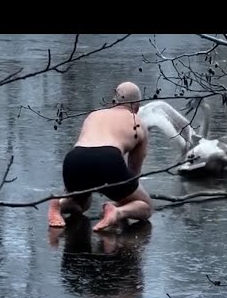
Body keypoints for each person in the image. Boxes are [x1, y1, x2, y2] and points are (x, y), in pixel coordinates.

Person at [47, 81, 153, 231]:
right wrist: (125, 198)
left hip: (74, 159)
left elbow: (86, 144)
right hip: (107, 159)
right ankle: (117, 212)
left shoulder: (94, 115)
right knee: (146, 206)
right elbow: (133, 172)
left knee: (82, 204)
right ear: (137, 105)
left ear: (113, 101)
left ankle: (60, 203)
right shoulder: (137, 122)